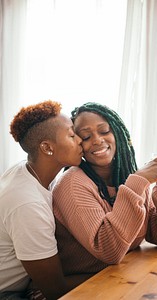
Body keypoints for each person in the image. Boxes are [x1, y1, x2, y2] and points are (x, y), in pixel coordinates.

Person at [53, 102, 157, 288]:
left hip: (119, 278)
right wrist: (138, 181)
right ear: (78, 143)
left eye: (104, 131)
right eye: (86, 136)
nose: (97, 140)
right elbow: (109, 251)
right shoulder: (72, 183)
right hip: (79, 287)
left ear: (119, 133)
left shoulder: (129, 176)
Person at [0, 100, 83, 300]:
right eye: (72, 135)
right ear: (47, 148)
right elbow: (56, 290)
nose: (81, 140)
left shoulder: (28, 170)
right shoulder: (28, 204)